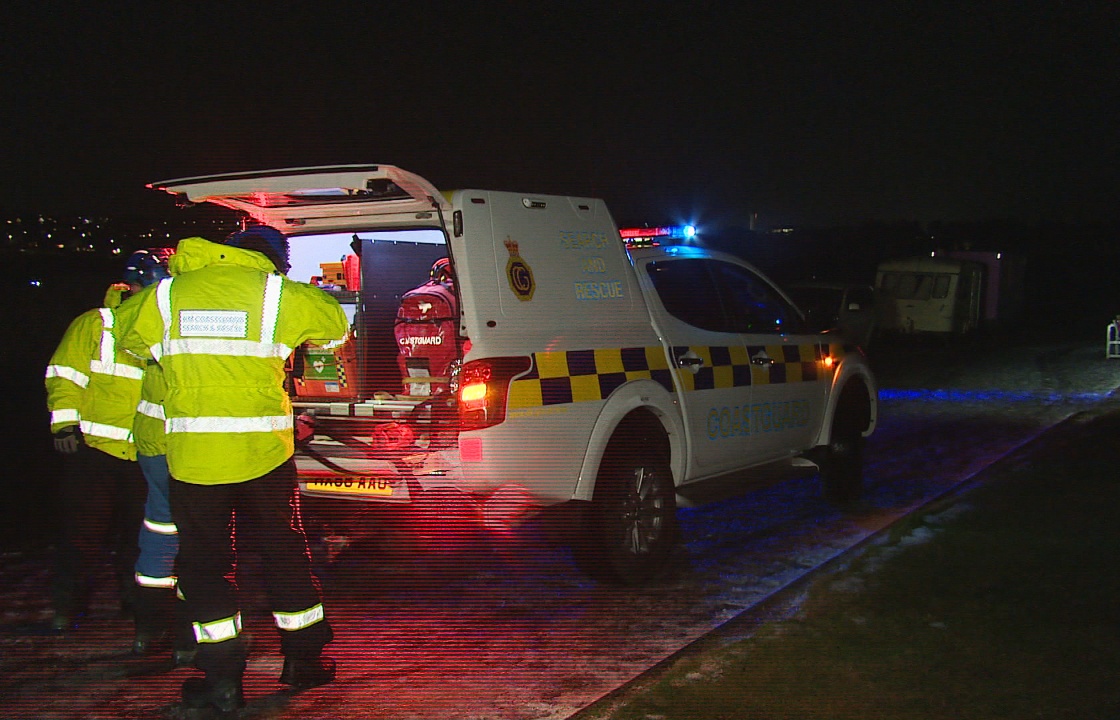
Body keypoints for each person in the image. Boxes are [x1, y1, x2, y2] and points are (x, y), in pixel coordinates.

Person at [118, 227, 349, 714]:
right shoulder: (277, 293)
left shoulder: (165, 295)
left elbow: (129, 341)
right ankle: (302, 660)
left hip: (196, 458)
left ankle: (222, 679)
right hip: (263, 453)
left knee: (204, 566)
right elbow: (334, 326)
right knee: (284, 552)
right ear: (268, 258)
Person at [44, 264, 148, 631]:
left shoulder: (161, 328)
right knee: (81, 535)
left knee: (140, 539)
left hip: (142, 454)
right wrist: (64, 425)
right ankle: (67, 609)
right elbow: (64, 373)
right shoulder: (95, 323)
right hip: (92, 450)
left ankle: (138, 608)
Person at [115, 248, 198, 666]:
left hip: (152, 444)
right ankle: (188, 637)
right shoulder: (173, 312)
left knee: (158, 533)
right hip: (186, 445)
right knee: (199, 538)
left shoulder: (129, 316)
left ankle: (149, 632)